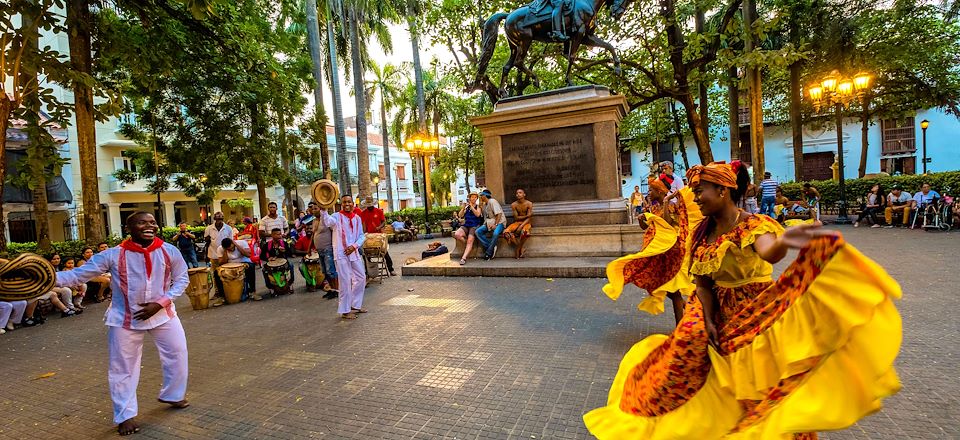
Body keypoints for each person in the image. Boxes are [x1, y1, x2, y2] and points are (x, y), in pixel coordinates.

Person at [584, 162, 902, 439]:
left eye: (701, 191)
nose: (695, 198)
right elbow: (704, 282)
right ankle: (675, 422)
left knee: (763, 374)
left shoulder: (754, 225)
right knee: (683, 353)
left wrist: (789, 239)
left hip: (756, 307)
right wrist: (708, 318)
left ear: (723, 191)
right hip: (712, 306)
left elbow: (769, 252)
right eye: (694, 191)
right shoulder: (701, 234)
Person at [55, 212, 190, 436]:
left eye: (153, 222)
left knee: (178, 352)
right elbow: (78, 275)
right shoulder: (112, 255)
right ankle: (125, 415)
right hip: (124, 318)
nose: (149, 226)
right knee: (123, 368)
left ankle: (173, 395)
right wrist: (46, 277)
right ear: (129, 228)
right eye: (142, 222)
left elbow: (182, 278)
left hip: (163, 314)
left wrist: (161, 303)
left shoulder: (169, 250)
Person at [603, 174, 702, 325]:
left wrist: (667, 201)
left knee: (672, 292)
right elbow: (646, 227)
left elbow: (667, 224)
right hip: (658, 253)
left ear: (661, 191)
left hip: (671, 253)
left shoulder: (670, 206)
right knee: (661, 287)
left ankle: (680, 327)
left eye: (651, 190)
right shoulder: (653, 206)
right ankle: (690, 311)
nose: (649, 192)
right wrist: (642, 219)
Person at [317, 195, 367, 319]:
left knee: (361, 277)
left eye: (349, 202)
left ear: (353, 203)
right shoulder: (336, 216)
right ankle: (345, 311)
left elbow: (362, 235)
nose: (347, 204)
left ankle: (355, 305)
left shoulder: (357, 218)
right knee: (345, 282)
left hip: (354, 252)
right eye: (344, 202)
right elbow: (327, 221)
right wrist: (323, 210)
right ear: (341, 204)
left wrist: (354, 246)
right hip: (341, 254)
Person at [308, 202, 340, 300]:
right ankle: (331, 290)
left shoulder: (327, 220)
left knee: (331, 271)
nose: (314, 211)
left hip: (328, 249)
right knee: (325, 272)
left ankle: (337, 290)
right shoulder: (314, 221)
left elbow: (335, 231)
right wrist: (309, 248)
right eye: (312, 209)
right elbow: (313, 235)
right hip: (319, 250)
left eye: (316, 208)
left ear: (321, 209)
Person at [358, 197, 396, 276]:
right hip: (369, 235)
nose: (369, 206)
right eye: (368, 205)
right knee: (366, 254)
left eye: (370, 204)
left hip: (378, 235)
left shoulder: (378, 211)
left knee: (384, 252)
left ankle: (391, 269)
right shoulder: (363, 213)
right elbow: (363, 225)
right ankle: (368, 271)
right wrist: (364, 233)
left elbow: (383, 222)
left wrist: (379, 227)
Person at [203, 212, 235, 306]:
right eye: (217, 219)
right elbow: (206, 241)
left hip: (225, 254)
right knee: (215, 274)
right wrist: (205, 255)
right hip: (213, 254)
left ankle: (228, 291)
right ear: (214, 219)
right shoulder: (209, 228)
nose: (219, 221)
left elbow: (231, 241)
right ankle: (217, 292)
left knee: (226, 273)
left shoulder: (228, 228)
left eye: (221, 219)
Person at [260, 228, 294, 295]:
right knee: (264, 270)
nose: (279, 236)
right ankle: (270, 287)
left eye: (280, 234)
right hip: (271, 263)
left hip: (284, 262)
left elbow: (291, 253)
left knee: (291, 265)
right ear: (272, 235)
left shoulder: (284, 243)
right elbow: (261, 256)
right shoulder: (267, 245)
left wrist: (284, 251)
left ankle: (290, 284)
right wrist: (268, 258)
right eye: (277, 234)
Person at [475, 190, 506, 260]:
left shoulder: (492, 201)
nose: (480, 197)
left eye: (481, 196)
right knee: (478, 232)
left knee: (495, 233)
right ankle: (491, 246)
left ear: (484, 196)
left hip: (500, 222)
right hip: (489, 223)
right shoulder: (485, 204)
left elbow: (499, 214)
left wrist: (496, 224)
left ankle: (488, 253)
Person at [503, 188, 534, 259]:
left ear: (524, 194)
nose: (518, 194)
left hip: (526, 223)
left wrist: (521, 227)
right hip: (517, 222)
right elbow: (516, 218)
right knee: (506, 233)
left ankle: (517, 250)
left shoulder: (529, 203)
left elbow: (529, 218)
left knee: (524, 232)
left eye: (520, 193)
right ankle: (520, 248)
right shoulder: (514, 205)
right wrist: (527, 216)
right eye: (517, 193)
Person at [454, 193, 483, 265]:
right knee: (457, 234)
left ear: (477, 199)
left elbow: (477, 214)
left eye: (475, 197)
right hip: (466, 225)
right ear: (469, 198)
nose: (473, 198)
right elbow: (460, 215)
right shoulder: (466, 207)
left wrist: (472, 207)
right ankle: (468, 244)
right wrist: (463, 208)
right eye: (472, 197)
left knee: (470, 240)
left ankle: (463, 258)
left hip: (475, 225)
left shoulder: (478, 207)